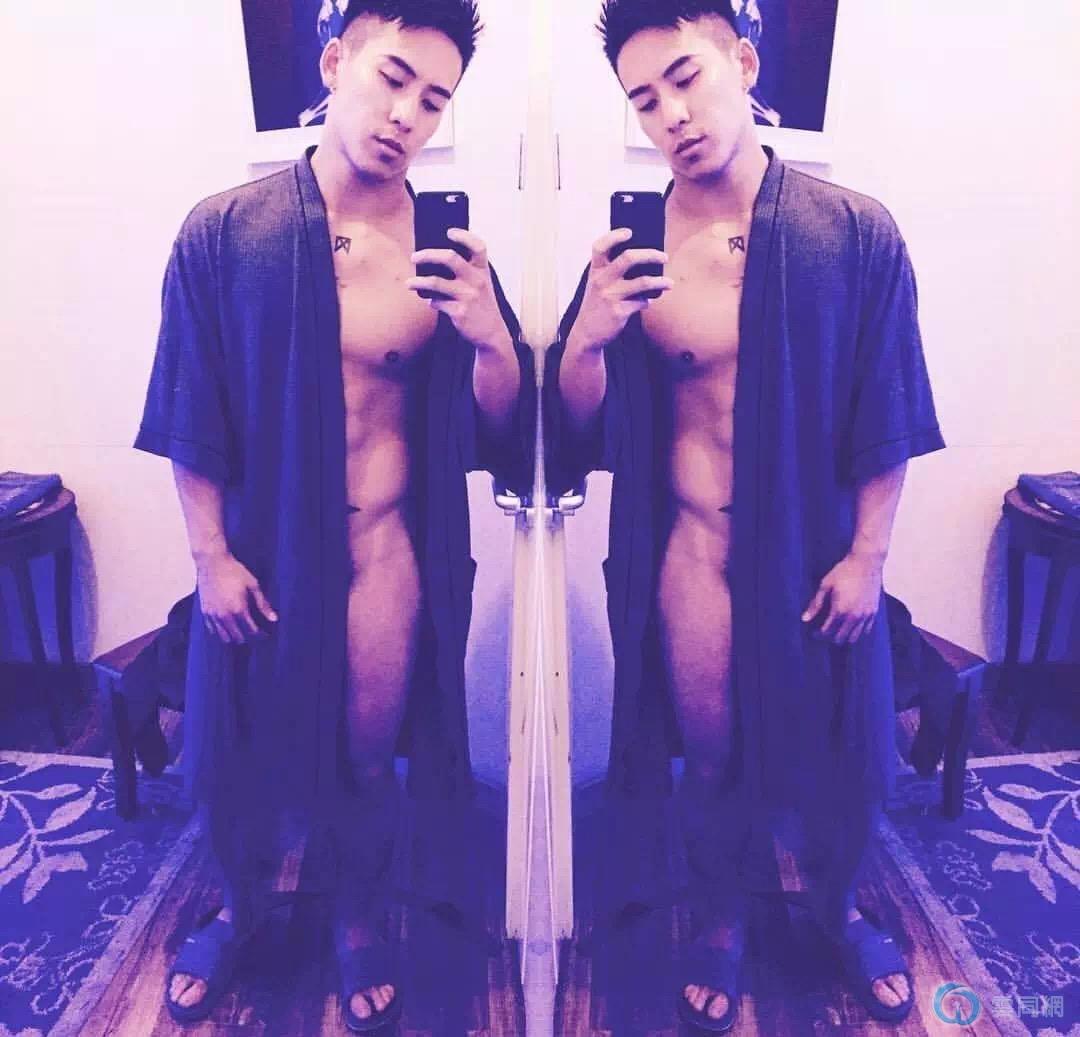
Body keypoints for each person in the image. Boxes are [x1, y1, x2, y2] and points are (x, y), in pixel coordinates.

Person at [544, 1, 943, 1029]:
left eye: (685, 78)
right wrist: (587, 336)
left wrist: (868, 557)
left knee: (836, 759)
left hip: (817, 551)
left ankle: (838, 909)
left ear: (745, 63)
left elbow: (889, 408)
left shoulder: (853, 231)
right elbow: (577, 429)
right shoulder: (631, 253)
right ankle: (720, 914)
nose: (671, 114)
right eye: (643, 99)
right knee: (713, 757)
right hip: (693, 555)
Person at [136, 1, 533, 1029]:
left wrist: (490, 336)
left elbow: (503, 429)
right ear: (333, 63)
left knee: (364, 757)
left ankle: (358, 915)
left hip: (385, 555)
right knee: (245, 760)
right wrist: (210, 557)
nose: (407, 115)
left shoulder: (447, 252)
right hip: (261, 552)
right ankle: (239, 910)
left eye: (434, 99)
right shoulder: (225, 231)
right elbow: (189, 409)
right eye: (393, 78)